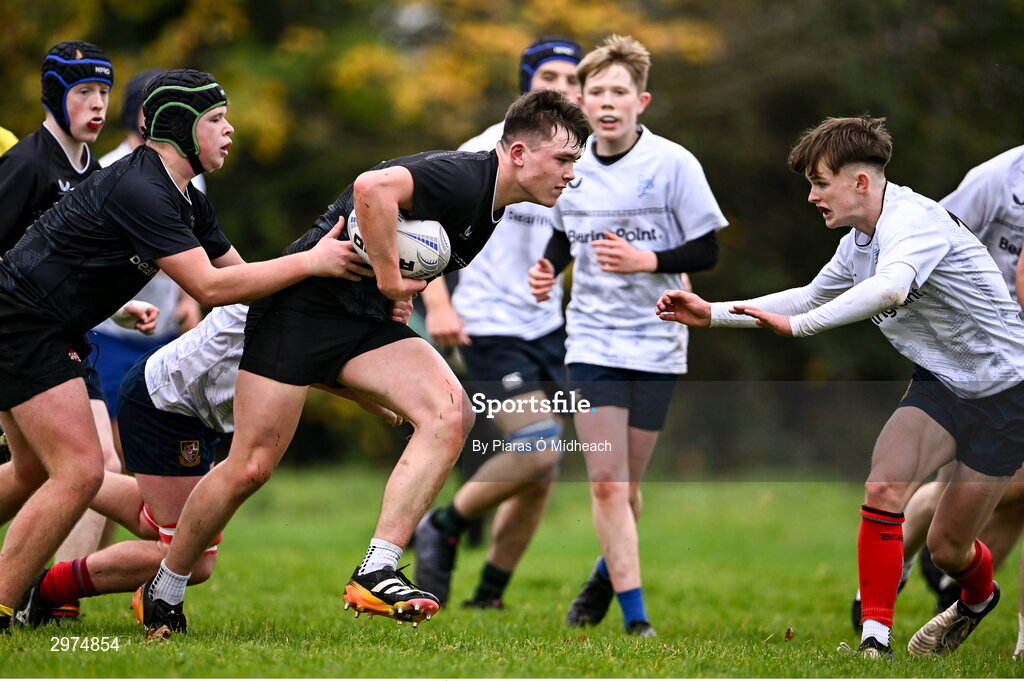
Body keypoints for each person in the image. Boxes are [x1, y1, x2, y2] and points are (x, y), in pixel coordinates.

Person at [131, 87, 591, 637]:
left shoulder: (493, 204)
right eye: (563, 159)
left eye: (575, 162)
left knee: (450, 412)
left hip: (360, 323)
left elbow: (405, 244)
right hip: (298, 313)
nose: (570, 174)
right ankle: (165, 587)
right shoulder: (466, 177)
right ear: (518, 153)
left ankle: (377, 569)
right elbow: (371, 189)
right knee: (249, 468)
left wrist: (393, 289)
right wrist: (392, 280)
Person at [0, 68, 356, 633]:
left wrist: (340, 324)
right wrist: (312, 261)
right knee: (80, 471)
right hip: (21, 324)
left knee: (29, 472)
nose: (230, 130)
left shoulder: (184, 196)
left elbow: (250, 288)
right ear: (182, 128)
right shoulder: (142, 188)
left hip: (43, 325)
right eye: (216, 120)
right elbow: (210, 288)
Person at [656, 115, 1024, 658]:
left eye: (819, 183)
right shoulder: (859, 243)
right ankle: (875, 644)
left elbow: (890, 290)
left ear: (860, 182)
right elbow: (809, 296)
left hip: (1007, 392)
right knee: (883, 487)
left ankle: (977, 598)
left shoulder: (913, 221)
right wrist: (711, 313)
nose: (811, 196)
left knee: (948, 549)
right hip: (943, 382)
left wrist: (800, 328)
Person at [15, 295, 408, 629]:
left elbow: (314, 362)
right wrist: (368, 396)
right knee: (190, 557)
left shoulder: (332, 299)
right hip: (167, 405)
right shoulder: (313, 294)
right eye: (408, 284)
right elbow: (307, 357)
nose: (410, 296)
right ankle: (46, 587)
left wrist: (369, 393)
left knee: (150, 519)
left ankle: (61, 477)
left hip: (193, 412)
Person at [529, 35, 727, 637]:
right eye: (597, 92)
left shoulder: (673, 163)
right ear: (581, 101)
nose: (608, 102)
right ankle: (636, 619)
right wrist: (547, 267)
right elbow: (564, 232)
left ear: (641, 101)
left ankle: (602, 577)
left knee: (630, 488)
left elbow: (708, 250)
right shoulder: (570, 165)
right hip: (591, 340)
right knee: (608, 485)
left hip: (658, 338)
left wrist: (648, 261)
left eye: (620, 92)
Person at [413, 35, 584, 610]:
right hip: (486, 324)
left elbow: (572, 236)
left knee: (541, 470)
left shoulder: (576, 158)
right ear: (526, 84)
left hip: (547, 330)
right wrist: (439, 304)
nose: (565, 88)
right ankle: (442, 524)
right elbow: (423, 233)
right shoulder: (486, 150)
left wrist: (556, 268)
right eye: (552, 77)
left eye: (574, 79)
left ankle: (488, 595)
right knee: (538, 448)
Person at [849, 143, 1024, 657]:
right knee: (935, 504)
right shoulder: (998, 178)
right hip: (975, 360)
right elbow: (926, 234)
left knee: (992, 514)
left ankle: (965, 595)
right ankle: (897, 578)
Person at [0, 41, 127, 621]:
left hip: (66, 338)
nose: (97, 105)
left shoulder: (93, 174)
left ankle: (41, 592)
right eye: (84, 92)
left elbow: (73, 273)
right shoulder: (27, 165)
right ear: (54, 96)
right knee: (88, 467)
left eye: (104, 92)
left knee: (33, 471)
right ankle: (48, 600)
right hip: (25, 341)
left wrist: (120, 310)